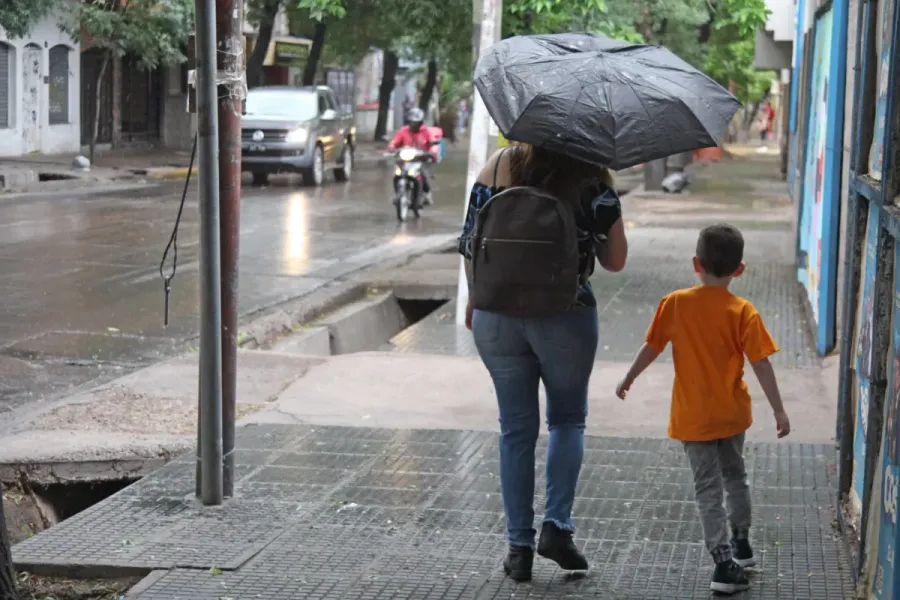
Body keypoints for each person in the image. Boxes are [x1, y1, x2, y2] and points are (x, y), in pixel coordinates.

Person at [458, 143, 628, 582]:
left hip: (496, 315)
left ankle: (519, 549)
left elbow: (468, 242)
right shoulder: (592, 178)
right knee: (567, 421)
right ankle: (557, 527)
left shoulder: (496, 166)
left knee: (515, 429)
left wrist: (476, 298)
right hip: (566, 314)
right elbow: (615, 261)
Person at [615, 223, 791, 595]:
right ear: (739, 270)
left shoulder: (676, 303)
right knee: (735, 477)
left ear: (696, 264)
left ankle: (723, 563)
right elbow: (761, 363)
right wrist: (779, 410)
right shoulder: (743, 311)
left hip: (693, 418)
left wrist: (629, 378)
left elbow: (652, 347)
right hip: (731, 414)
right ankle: (741, 544)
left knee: (707, 488)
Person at [387, 107, 436, 204]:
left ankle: (427, 193)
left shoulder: (426, 132)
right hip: (405, 160)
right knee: (397, 174)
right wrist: (392, 148)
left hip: (420, 159)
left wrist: (431, 152)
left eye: (416, 122)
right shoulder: (403, 131)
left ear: (421, 122)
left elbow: (433, 144)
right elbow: (394, 142)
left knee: (424, 173)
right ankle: (397, 193)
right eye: (412, 122)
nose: (414, 124)